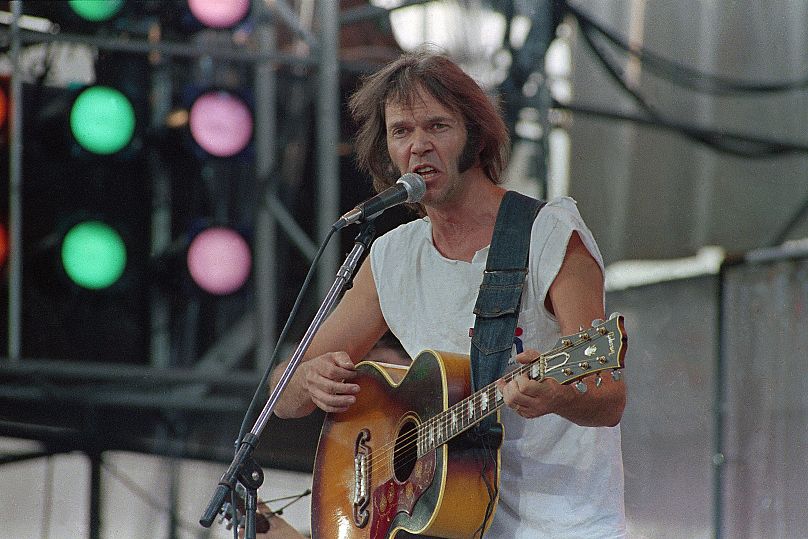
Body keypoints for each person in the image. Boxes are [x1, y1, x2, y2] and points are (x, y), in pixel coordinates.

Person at [271, 49, 626, 538]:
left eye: (437, 127)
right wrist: (309, 380)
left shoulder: (548, 235)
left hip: (563, 524)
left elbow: (608, 396)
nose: (418, 146)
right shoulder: (391, 256)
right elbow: (281, 398)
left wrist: (557, 397)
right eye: (401, 131)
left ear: (474, 138)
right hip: (447, 526)